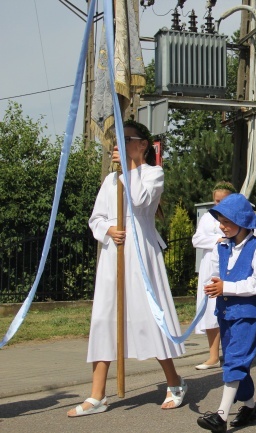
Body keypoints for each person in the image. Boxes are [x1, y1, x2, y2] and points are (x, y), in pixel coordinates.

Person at [68, 120, 186, 417]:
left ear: (142, 145)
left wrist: (131, 169)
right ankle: (97, 395)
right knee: (105, 318)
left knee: (149, 316)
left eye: (124, 140)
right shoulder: (110, 180)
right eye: (115, 142)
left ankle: (174, 381)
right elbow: (96, 218)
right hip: (113, 256)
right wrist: (108, 228)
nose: (116, 147)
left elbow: (139, 201)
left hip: (140, 255)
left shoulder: (153, 174)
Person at [196, 194, 256, 433]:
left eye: (227, 221)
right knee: (236, 363)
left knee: (235, 361)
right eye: (220, 220)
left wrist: (225, 287)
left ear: (243, 222)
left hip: (246, 315)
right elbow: (217, 273)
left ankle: (221, 416)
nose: (221, 225)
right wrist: (214, 285)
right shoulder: (222, 246)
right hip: (225, 313)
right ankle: (249, 407)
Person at [192, 182, 236, 370]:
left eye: (222, 201)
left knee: (229, 308)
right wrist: (216, 240)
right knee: (210, 309)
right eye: (216, 201)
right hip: (209, 263)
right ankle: (213, 356)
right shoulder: (208, 218)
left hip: (230, 262)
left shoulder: (236, 215)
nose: (218, 204)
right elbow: (197, 239)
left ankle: (231, 353)